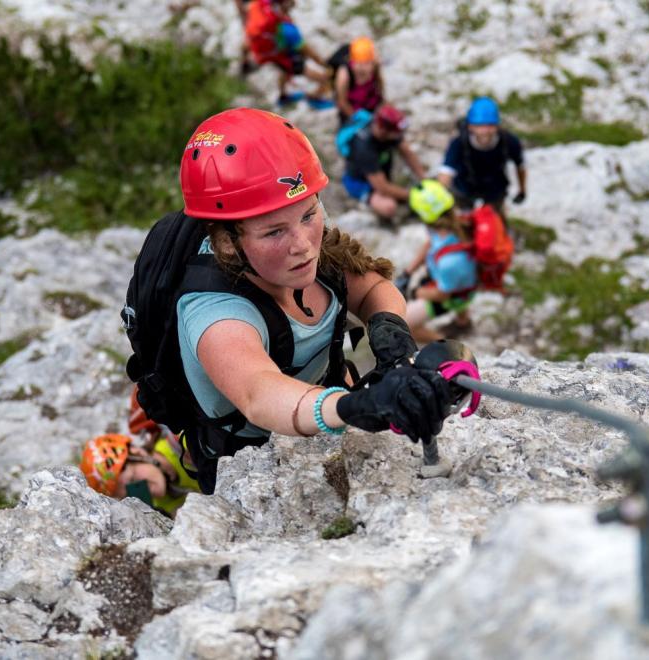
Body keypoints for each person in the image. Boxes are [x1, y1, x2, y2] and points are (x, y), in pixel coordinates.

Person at [170, 107, 452, 491]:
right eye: (273, 233)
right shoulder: (214, 312)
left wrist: (390, 331)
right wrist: (354, 407)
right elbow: (259, 391)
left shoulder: (303, 232)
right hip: (255, 472)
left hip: (328, 413)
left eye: (308, 215)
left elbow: (371, 288)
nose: (303, 247)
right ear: (226, 242)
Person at [79, 390, 201, 518]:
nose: (149, 490)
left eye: (134, 480)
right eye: (130, 494)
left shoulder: (182, 444)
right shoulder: (157, 508)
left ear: (137, 452)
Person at [396, 180, 478, 344]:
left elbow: (442, 294)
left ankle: (447, 345)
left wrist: (416, 292)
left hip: (453, 293)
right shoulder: (454, 223)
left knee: (404, 325)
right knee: (461, 295)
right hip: (460, 282)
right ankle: (463, 322)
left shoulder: (451, 262)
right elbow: (431, 243)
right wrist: (408, 272)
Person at [437, 96, 527, 215]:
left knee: (494, 224)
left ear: (497, 126)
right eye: (479, 126)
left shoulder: (509, 142)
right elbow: (446, 172)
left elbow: (520, 166)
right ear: (470, 126)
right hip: (464, 190)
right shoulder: (459, 143)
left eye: (489, 125)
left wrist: (522, 190)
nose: (484, 131)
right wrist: (440, 198)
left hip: (495, 191)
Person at [342, 104, 427, 220]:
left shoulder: (388, 132)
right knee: (389, 207)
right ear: (384, 130)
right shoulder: (364, 148)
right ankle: (366, 203)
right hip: (360, 183)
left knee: (395, 193)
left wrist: (425, 179)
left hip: (380, 174)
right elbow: (382, 187)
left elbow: (408, 153)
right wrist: (416, 195)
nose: (400, 136)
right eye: (397, 133)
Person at [244, 0, 333, 108]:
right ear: (286, 3)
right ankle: (316, 97)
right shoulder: (289, 30)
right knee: (308, 71)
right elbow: (309, 52)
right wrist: (325, 65)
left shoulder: (262, 5)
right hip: (280, 51)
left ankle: (283, 96)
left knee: (284, 68)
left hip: (263, 50)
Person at [332, 36, 385, 126]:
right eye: (360, 64)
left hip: (370, 103)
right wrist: (356, 118)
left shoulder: (375, 64)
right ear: (352, 61)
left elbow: (379, 83)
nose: (364, 68)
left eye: (367, 63)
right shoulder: (344, 75)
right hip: (352, 110)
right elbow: (341, 101)